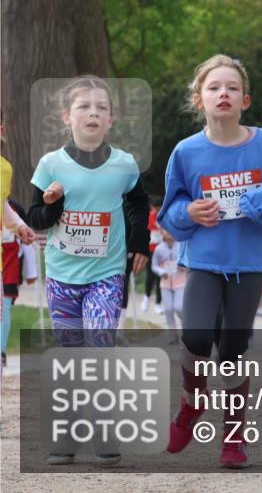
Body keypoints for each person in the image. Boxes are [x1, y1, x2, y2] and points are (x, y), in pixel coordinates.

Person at [158, 55, 262, 469]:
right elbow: (171, 210)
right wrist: (189, 214)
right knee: (197, 337)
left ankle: (235, 435)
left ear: (246, 99)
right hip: (203, 260)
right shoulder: (186, 152)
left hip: (249, 261)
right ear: (198, 98)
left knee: (233, 349)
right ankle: (191, 403)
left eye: (232, 88)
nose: (223, 93)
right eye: (214, 87)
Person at [25, 76, 150, 466]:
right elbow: (36, 217)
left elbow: (137, 207)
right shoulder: (51, 164)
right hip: (62, 275)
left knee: (99, 347)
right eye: (84, 106)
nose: (93, 112)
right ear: (67, 117)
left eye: (101, 107)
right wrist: (53, 203)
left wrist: (138, 244)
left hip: (106, 273)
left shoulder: (124, 164)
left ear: (110, 119)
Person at [2, 200, 37, 368]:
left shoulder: (15, 209)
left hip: (9, 267)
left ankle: (1, 352)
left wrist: (32, 272)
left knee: (4, 308)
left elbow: (26, 243)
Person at [152, 227, 184, 344]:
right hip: (165, 284)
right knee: (169, 309)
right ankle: (173, 336)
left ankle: (186, 329)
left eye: (170, 229)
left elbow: (188, 261)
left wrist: (183, 266)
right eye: (165, 230)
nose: (168, 232)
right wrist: (161, 272)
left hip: (181, 282)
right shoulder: (158, 249)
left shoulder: (181, 245)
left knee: (179, 307)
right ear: (161, 233)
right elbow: (154, 266)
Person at [142, 197, 163, 314]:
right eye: (155, 208)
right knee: (150, 274)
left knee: (160, 276)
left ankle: (158, 303)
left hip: (161, 250)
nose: (157, 211)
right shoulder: (148, 216)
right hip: (150, 250)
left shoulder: (164, 216)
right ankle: (147, 297)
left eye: (159, 209)